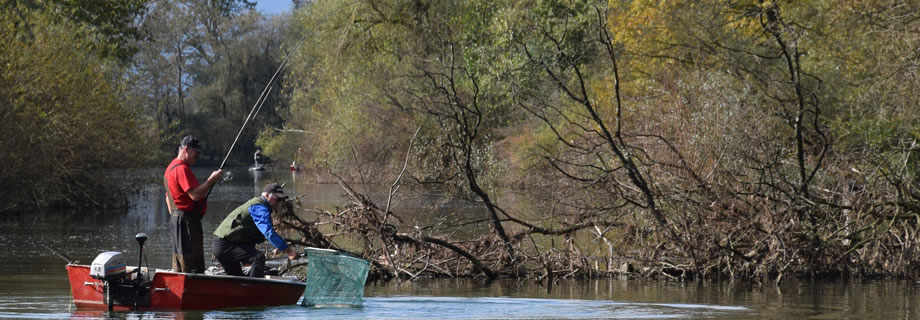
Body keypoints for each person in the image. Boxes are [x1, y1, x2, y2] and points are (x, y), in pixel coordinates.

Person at [164, 135, 224, 273]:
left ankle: (182, 280)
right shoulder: (182, 169)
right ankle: (192, 283)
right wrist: (211, 180)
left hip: (177, 220)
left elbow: (168, 198)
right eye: (196, 153)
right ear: (186, 150)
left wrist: (176, 217)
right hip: (187, 222)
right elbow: (195, 195)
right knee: (192, 263)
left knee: (180, 258)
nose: (197, 156)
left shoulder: (170, 168)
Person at [212, 183, 297, 277]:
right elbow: (268, 232)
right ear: (267, 195)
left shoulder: (259, 205)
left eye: (281, 200)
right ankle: (254, 286)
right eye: (277, 199)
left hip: (225, 245)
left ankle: (246, 286)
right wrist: (287, 249)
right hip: (225, 245)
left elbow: (246, 233)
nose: (279, 203)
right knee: (258, 257)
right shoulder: (259, 207)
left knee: (238, 278)